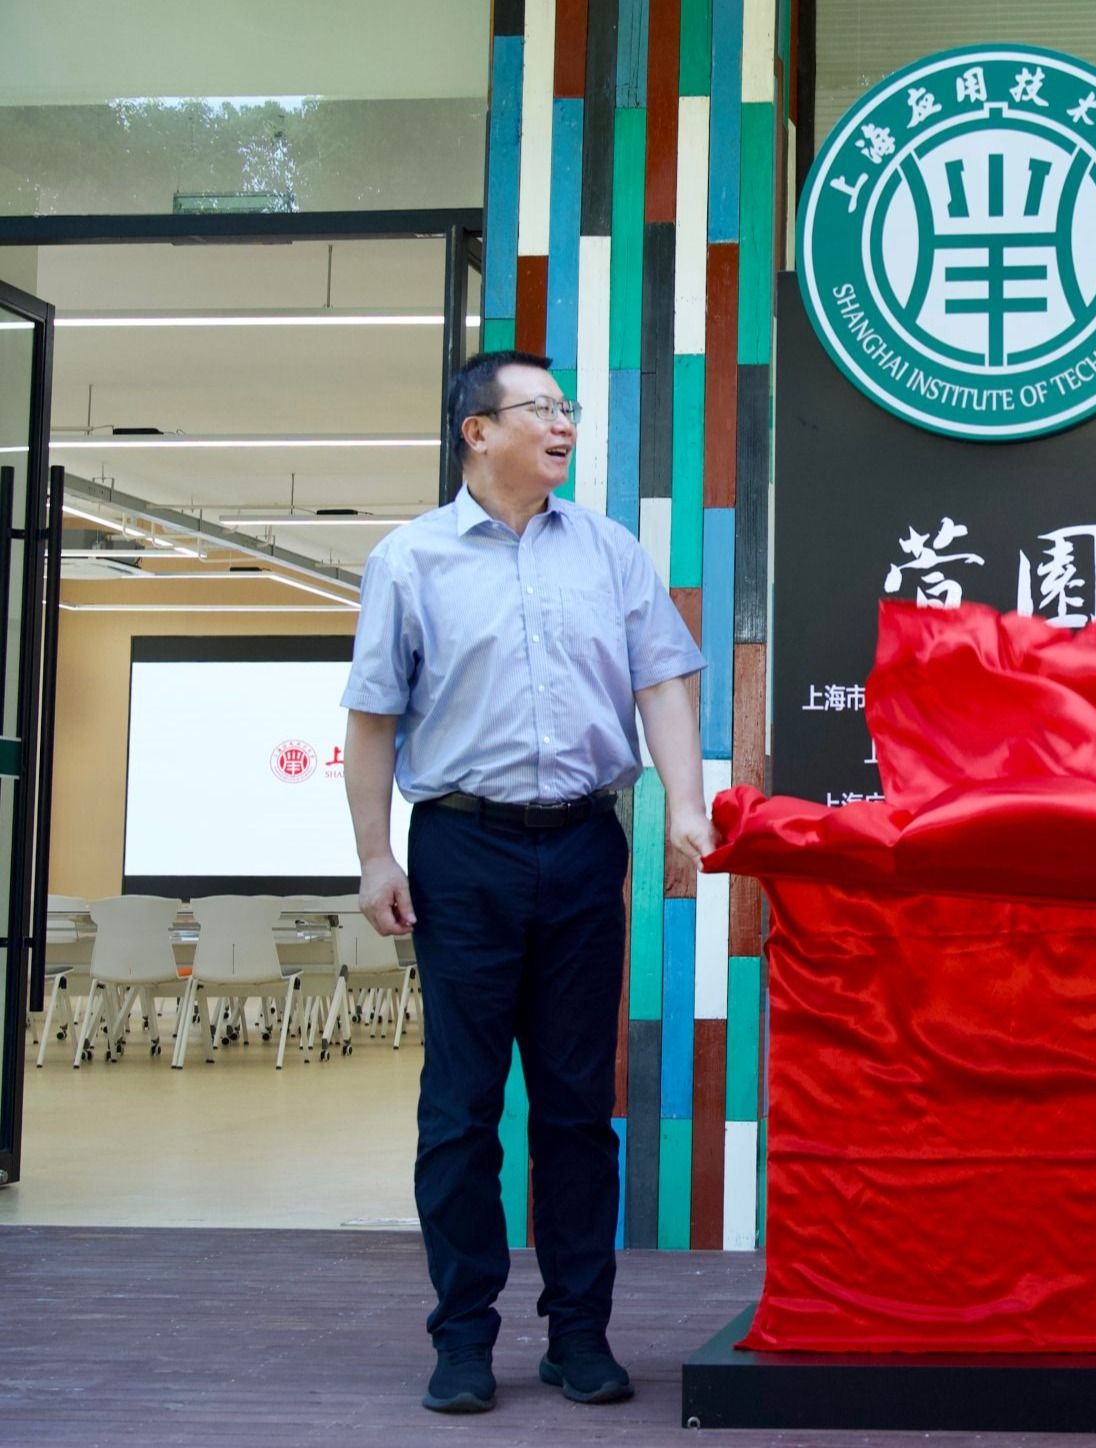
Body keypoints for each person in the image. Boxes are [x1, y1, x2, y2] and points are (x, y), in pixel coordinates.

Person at [342, 349, 716, 1415]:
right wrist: (375, 854)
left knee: (576, 1106)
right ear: (477, 429)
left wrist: (685, 808)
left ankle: (579, 1335)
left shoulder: (607, 550)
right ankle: (462, 1338)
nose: (562, 425)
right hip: (462, 850)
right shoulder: (410, 560)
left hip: (586, 844)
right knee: (461, 1106)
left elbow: (663, 682)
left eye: (567, 409)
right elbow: (372, 718)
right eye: (541, 409)